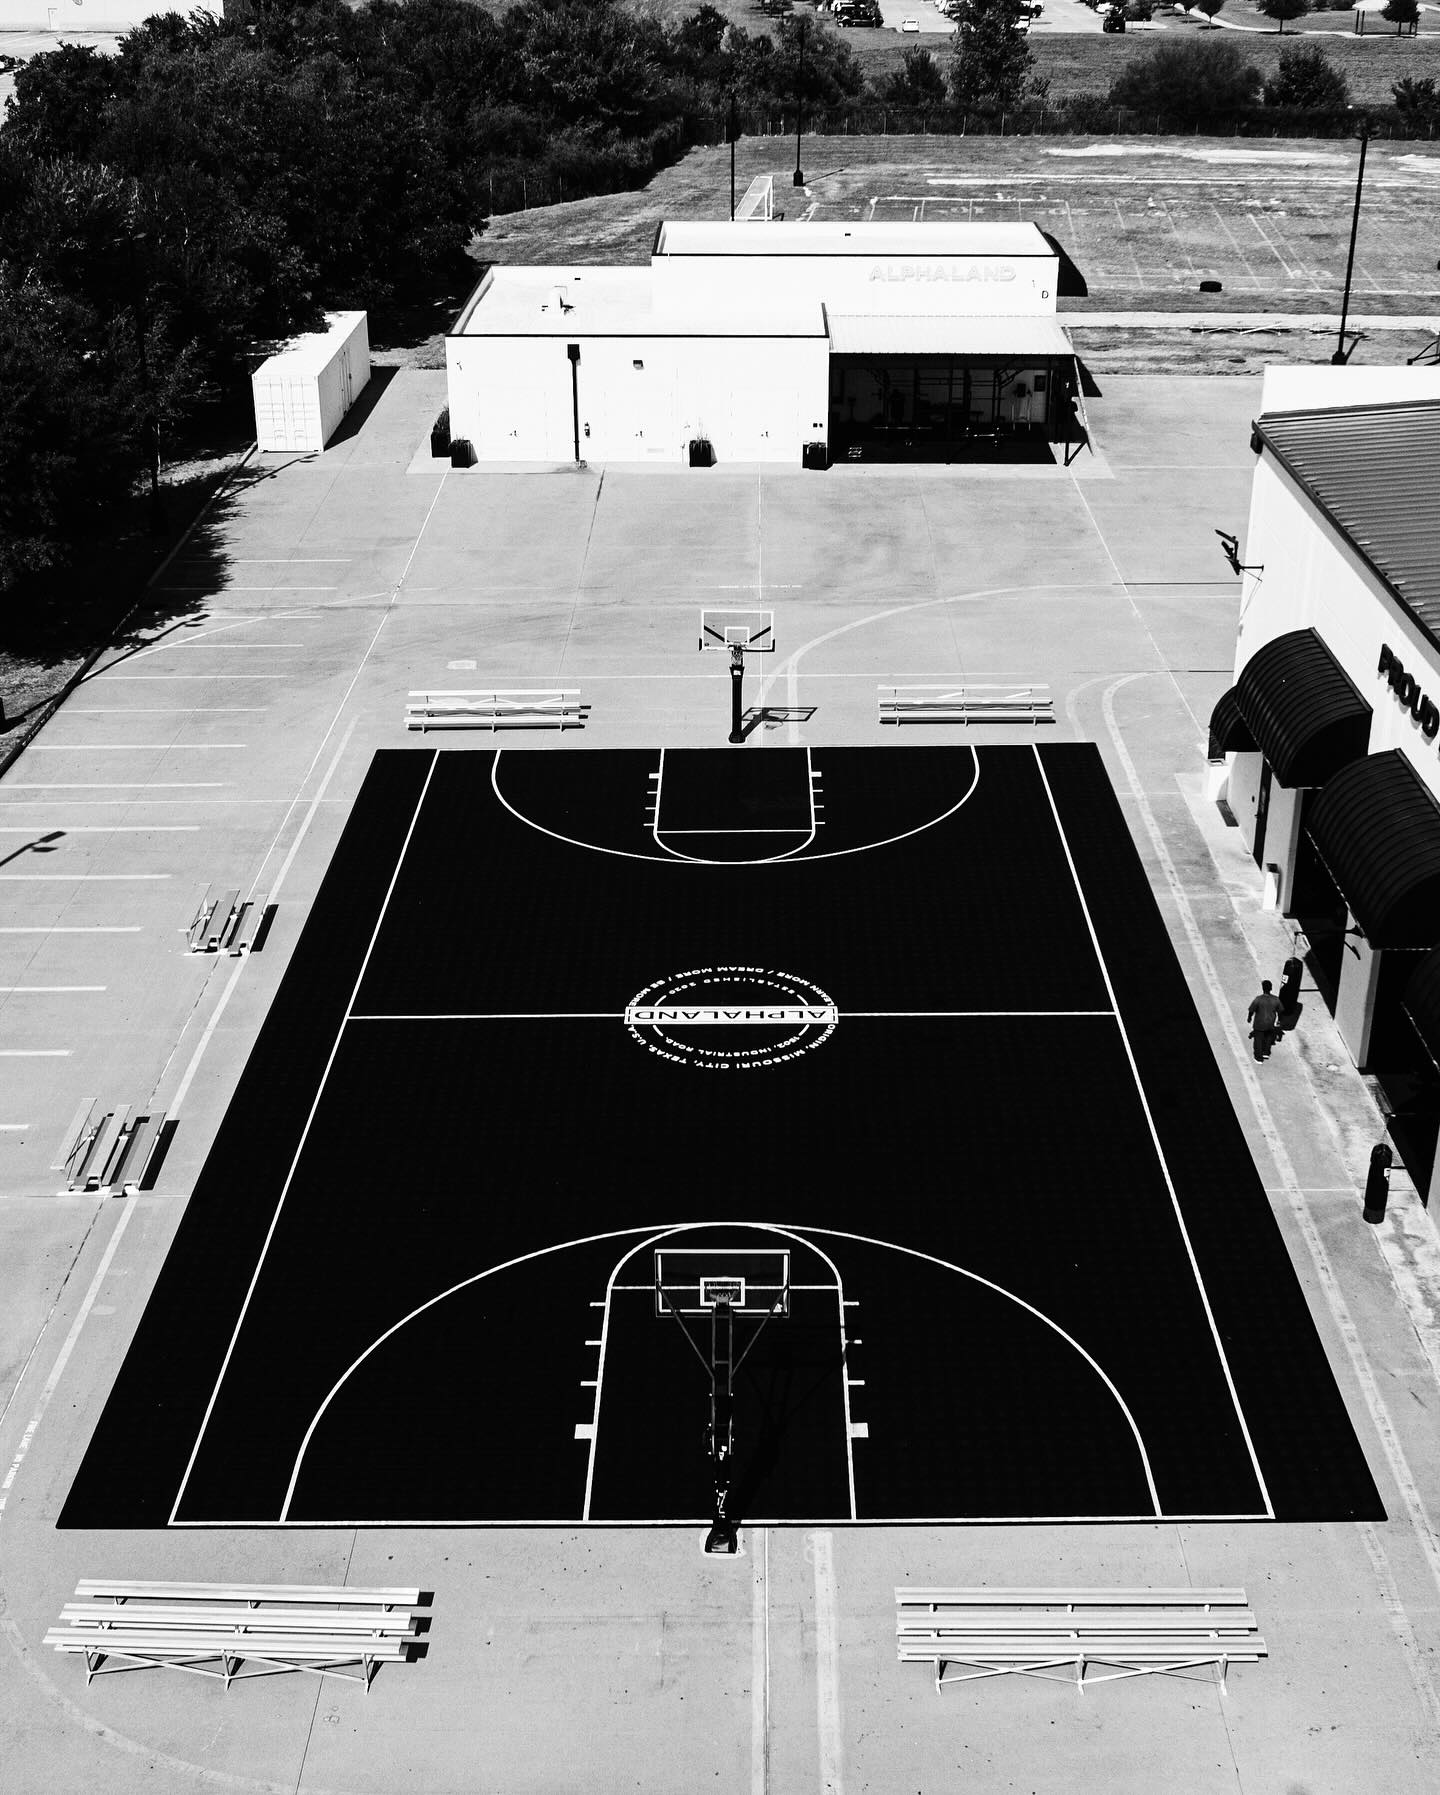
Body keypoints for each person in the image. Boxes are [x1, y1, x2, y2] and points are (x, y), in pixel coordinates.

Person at [1247, 980, 1281, 1062]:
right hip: (1270, 1023)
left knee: (1258, 1041)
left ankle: (1258, 1058)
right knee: (1268, 1038)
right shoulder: (1276, 999)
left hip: (1259, 1023)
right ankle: (1266, 1053)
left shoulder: (1258, 999)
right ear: (1271, 988)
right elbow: (1280, 1011)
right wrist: (1279, 1020)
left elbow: (1252, 1009)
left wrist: (1249, 1017)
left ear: (1263, 988)